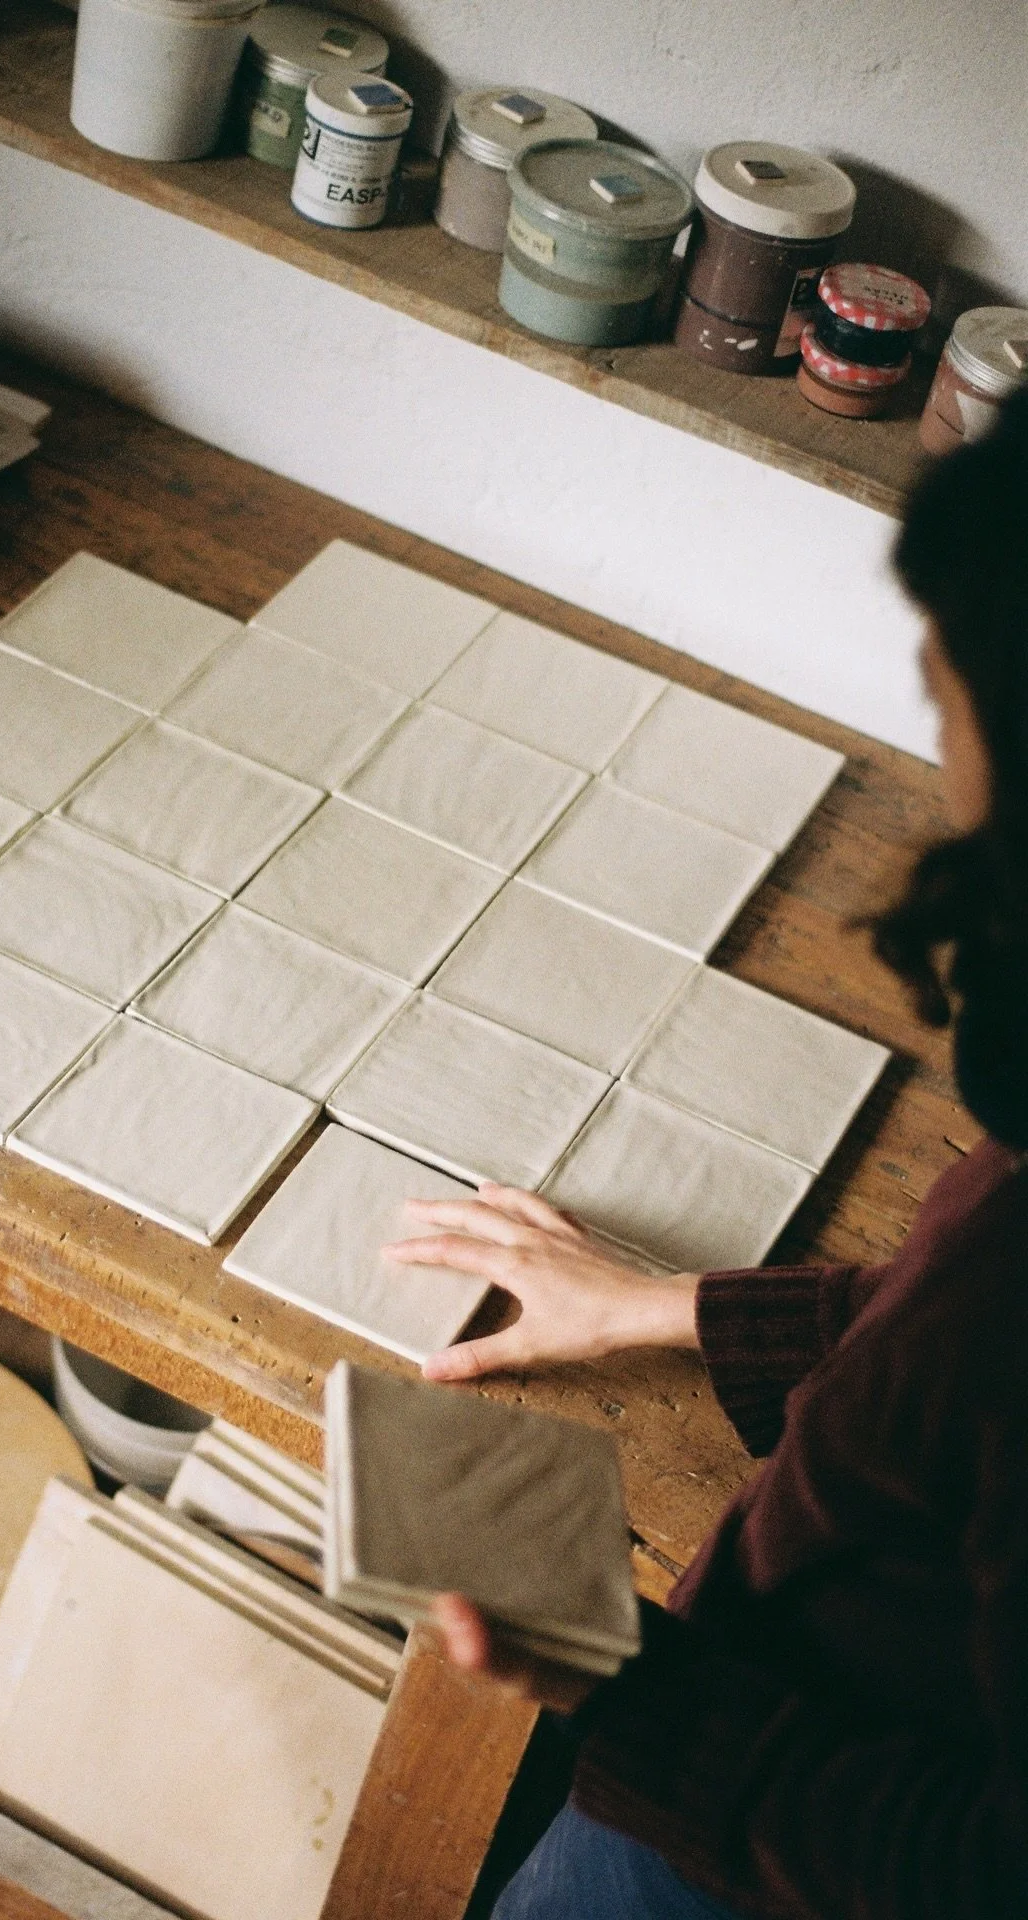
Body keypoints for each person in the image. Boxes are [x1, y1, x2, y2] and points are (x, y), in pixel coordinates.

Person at [384, 388, 1028, 1919]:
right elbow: (966, 1347)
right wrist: (678, 1308)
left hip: (790, 1850)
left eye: (950, 700)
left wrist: (624, 1686)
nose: (934, 743)